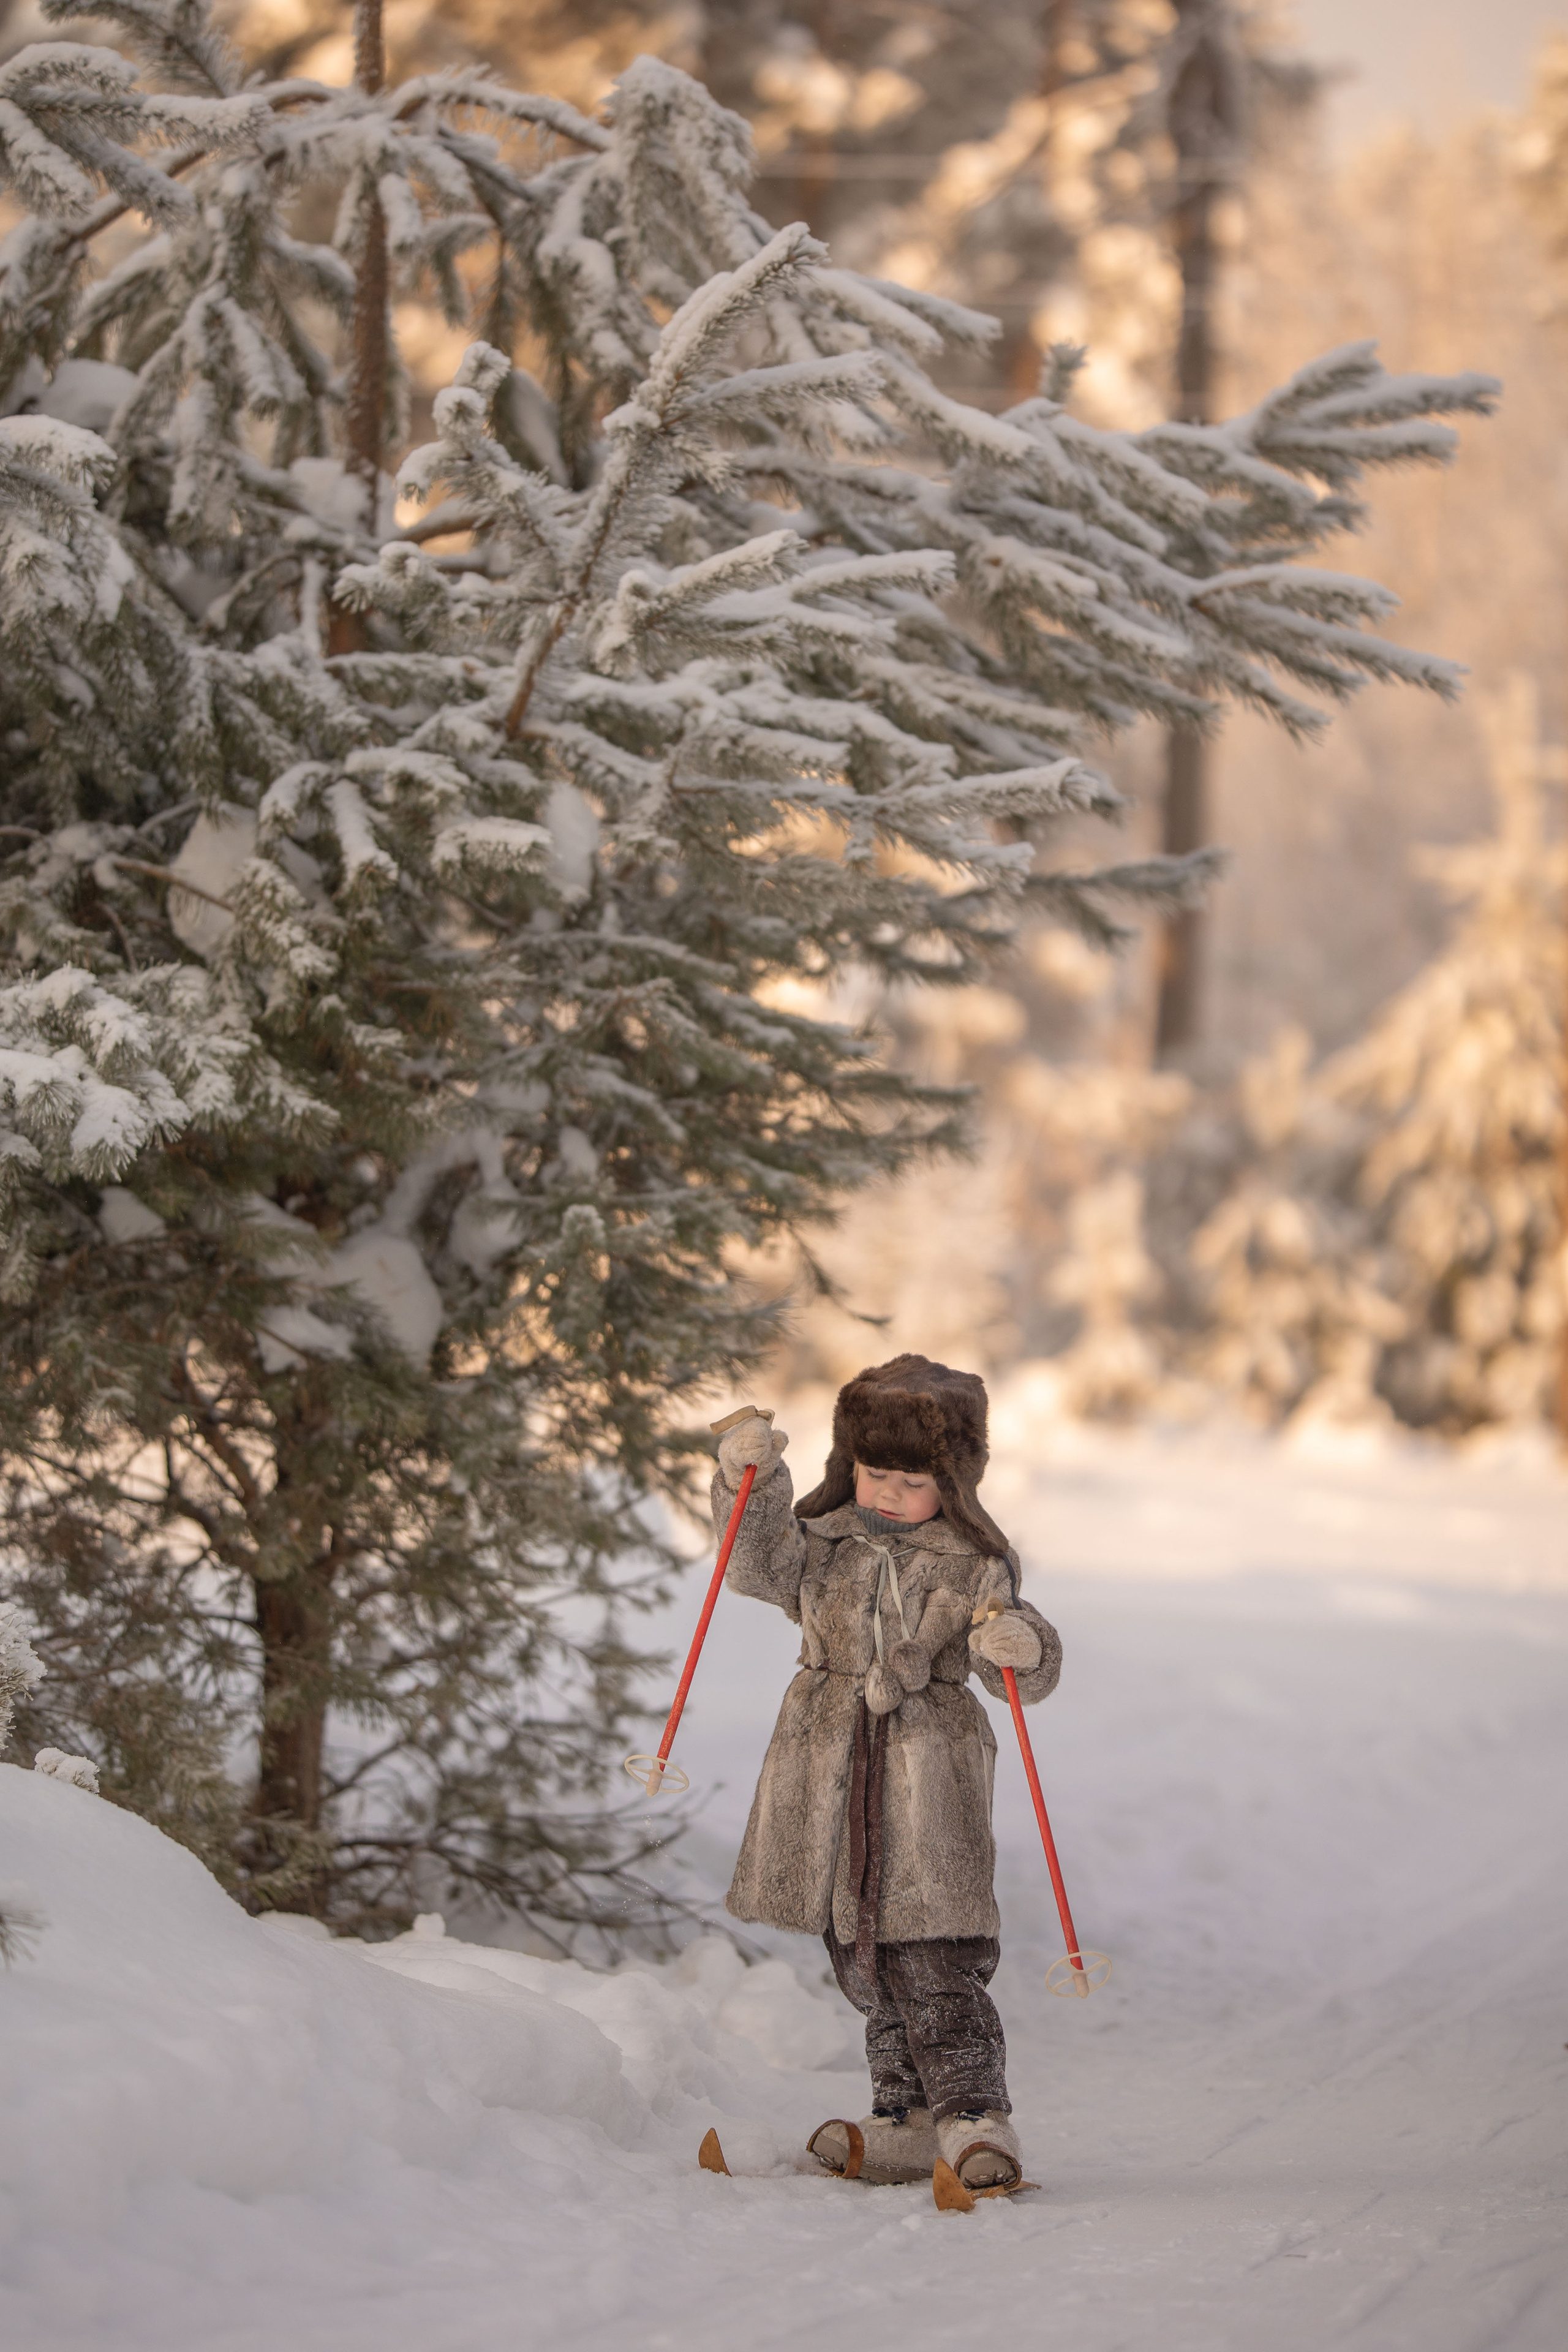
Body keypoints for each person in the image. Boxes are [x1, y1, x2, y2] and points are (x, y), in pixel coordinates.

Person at [712, 1353, 1060, 2192]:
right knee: (863, 1950)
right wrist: (748, 1482)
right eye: (876, 1475)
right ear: (849, 1465)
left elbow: (1015, 1659)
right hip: (827, 1765)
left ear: (954, 1482)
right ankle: (903, 2117)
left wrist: (1018, 1646)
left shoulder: (972, 1562)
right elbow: (750, 1564)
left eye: (914, 1481)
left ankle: (974, 2117)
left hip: (926, 1771)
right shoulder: (824, 1546)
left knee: (934, 1948)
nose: (891, 1495)